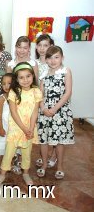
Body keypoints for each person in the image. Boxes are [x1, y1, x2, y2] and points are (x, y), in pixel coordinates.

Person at [0, 62, 42, 186]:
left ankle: (25, 172)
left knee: (27, 152)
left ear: (33, 76)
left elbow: (35, 111)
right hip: (16, 128)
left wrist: (30, 128)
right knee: (9, 152)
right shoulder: (14, 92)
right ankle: (3, 174)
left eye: (28, 76)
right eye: (21, 77)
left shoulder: (36, 91)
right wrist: (23, 128)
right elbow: (14, 112)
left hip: (30, 128)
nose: (25, 80)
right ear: (16, 79)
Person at [37, 46, 74, 180]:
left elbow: (68, 92)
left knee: (59, 141)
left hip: (60, 111)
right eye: (50, 58)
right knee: (44, 140)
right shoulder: (44, 74)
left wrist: (54, 109)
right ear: (46, 60)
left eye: (56, 57)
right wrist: (42, 108)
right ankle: (45, 165)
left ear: (62, 58)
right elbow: (40, 94)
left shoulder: (66, 71)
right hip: (45, 111)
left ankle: (60, 167)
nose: (53, 61)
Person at [34, 34, 56, 169]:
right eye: (40, 45)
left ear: (51, 46)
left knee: (54, 130)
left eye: (45, 45)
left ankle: (53, 155)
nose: (42, 49)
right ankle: (43, 156)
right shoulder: (34, 63)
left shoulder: (54, 63)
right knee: (42, 131)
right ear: (36, 47)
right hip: (39, 101)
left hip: (53, 102)